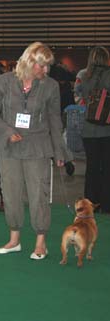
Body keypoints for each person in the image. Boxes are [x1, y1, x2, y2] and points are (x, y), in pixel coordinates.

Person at [0, 42, 65, 260]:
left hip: (37, 146)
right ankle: (14, 240)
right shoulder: (3, 81)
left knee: (38, 194)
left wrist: (59, 151)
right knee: (10, 193)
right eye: (42, 66)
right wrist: (8, 131)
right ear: (30, 62)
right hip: (8, 145)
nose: (46, 71)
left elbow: (54, 119)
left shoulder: (51, 86)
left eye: (48, 66)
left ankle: (41, 242)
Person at [79, 46, 110, 214]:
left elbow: (82, 96)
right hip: (107, 129)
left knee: (91, 168)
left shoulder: (84, 76)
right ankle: (106, 204)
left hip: (88, 129)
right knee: (106, 168)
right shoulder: (108, 75)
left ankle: (90, 204)